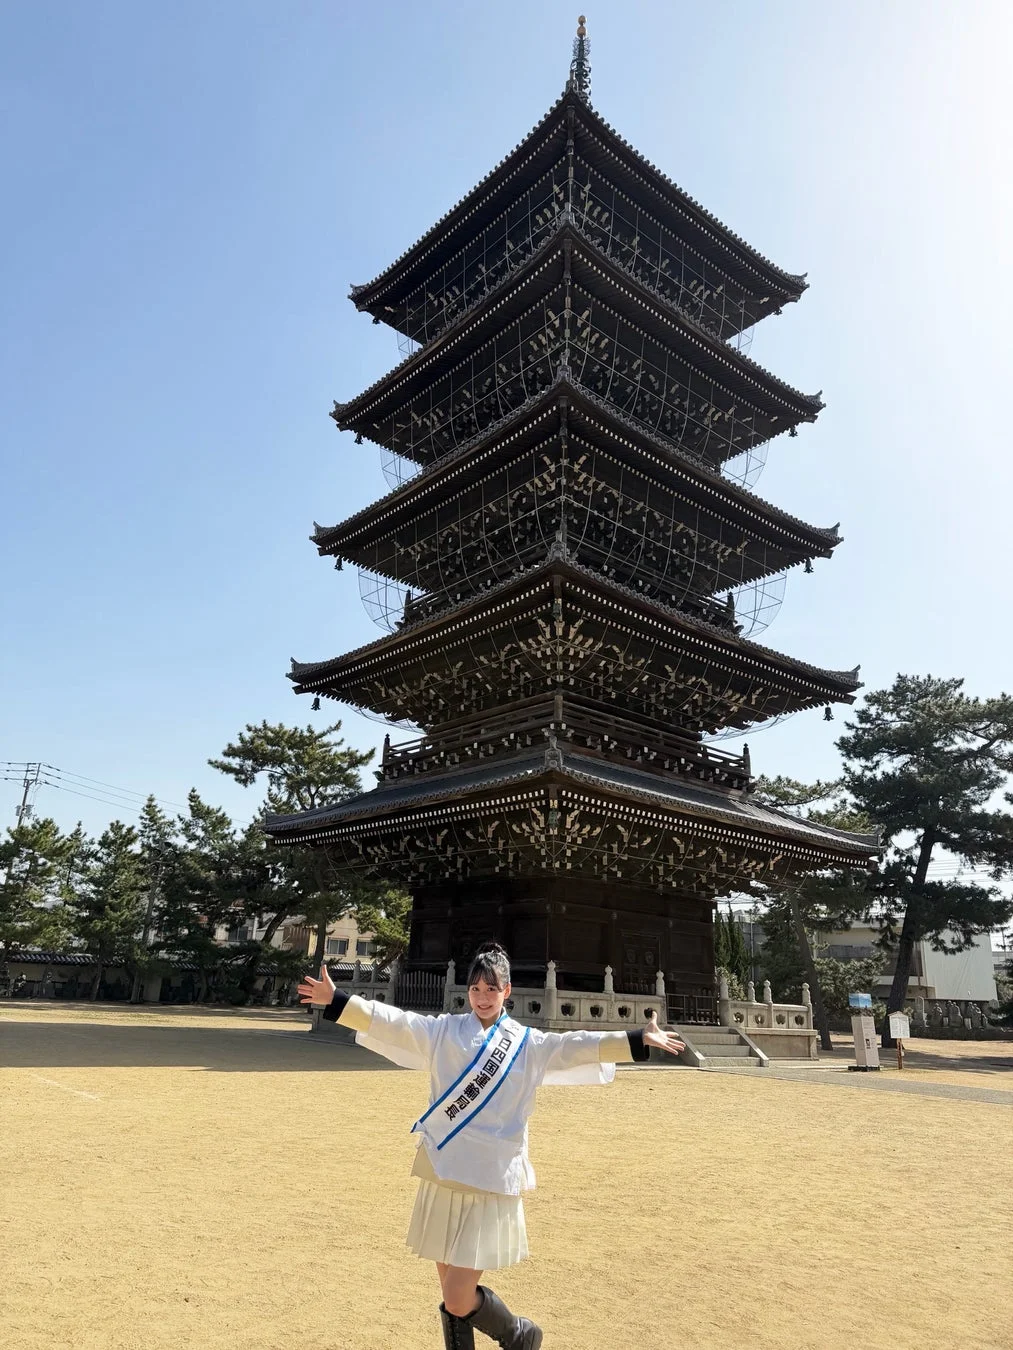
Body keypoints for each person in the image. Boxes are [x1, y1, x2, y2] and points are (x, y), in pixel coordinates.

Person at [298, 941, 685, 1349]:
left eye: (492, 989)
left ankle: (518, 1333)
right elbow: (396, 1022)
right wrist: (339, 1001)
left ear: (507, 991)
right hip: (443, 1169)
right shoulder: (444, 1031)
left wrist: (636, 1038)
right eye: (476, 989)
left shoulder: (528, 1044)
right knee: (451, 1293)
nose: (483, 998)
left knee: (457, 1295)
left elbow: (576, 1045)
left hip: (490, 1176)